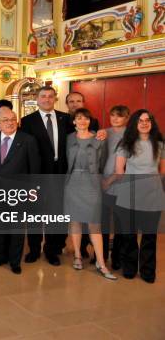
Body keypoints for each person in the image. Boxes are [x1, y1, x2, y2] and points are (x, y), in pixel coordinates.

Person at [104, 109, 164, 283]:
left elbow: (162, 171)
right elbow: (119, 171)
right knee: (129, 236)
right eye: (140, 121)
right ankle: (129, 268)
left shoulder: (159, 143)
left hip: (153, 196)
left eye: (148, 120)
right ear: (135, 124)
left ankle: (147, 272)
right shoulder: (126, 144)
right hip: (128, 195)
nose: (144, 123)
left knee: (149, 236)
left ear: (152, 123)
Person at [20, 85, 73, 266]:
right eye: (43, 96)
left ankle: (52, 250)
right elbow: (25, 152)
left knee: (55, 214)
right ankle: (34, 250)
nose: (47, 99)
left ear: (55, 98)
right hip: (37, 174)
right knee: (35, 214)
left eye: (50, 96)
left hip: (59, 174)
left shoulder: (66, 119)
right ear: (37, 98)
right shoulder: (27, 121)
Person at [0, 107, 40, 274]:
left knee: (17, 229)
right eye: (5, 120)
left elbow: (35, 168)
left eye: (13, 119)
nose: (10, 123)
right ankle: (0, 256)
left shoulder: (28, 140)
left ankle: (15, 262)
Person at [64, 108, 116, 280]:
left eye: (85, 118)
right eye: (78, 118)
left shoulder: (99, 139)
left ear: (89, 121)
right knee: (75, 221)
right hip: (72, 184)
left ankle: (101, 262)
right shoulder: (69, 138)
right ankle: (78, 255)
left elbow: (102, 163)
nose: (82, 121)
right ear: (74, 121)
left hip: (92, 183)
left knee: (95, 224)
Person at [100, 105, 130, 270]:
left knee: (120, 224)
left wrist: (109, 180)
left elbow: (126, 164)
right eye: (112, 115)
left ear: (127, 117)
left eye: (119, 116)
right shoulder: (104, 132)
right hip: (102, 183)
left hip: (121, 184)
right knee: (103, 222)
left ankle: (117, 257)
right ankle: (102, 255)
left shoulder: (131, 135)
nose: (115, 119)